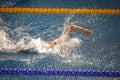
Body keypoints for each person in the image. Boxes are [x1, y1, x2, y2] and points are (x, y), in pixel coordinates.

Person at [10, 25, 93, 56]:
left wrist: (84, 30)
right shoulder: (64, 42)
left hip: (39, 45)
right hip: (39, 48)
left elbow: (72, 27)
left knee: (15, 48)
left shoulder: (64, 39)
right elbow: (67, 59)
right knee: (13, 50)